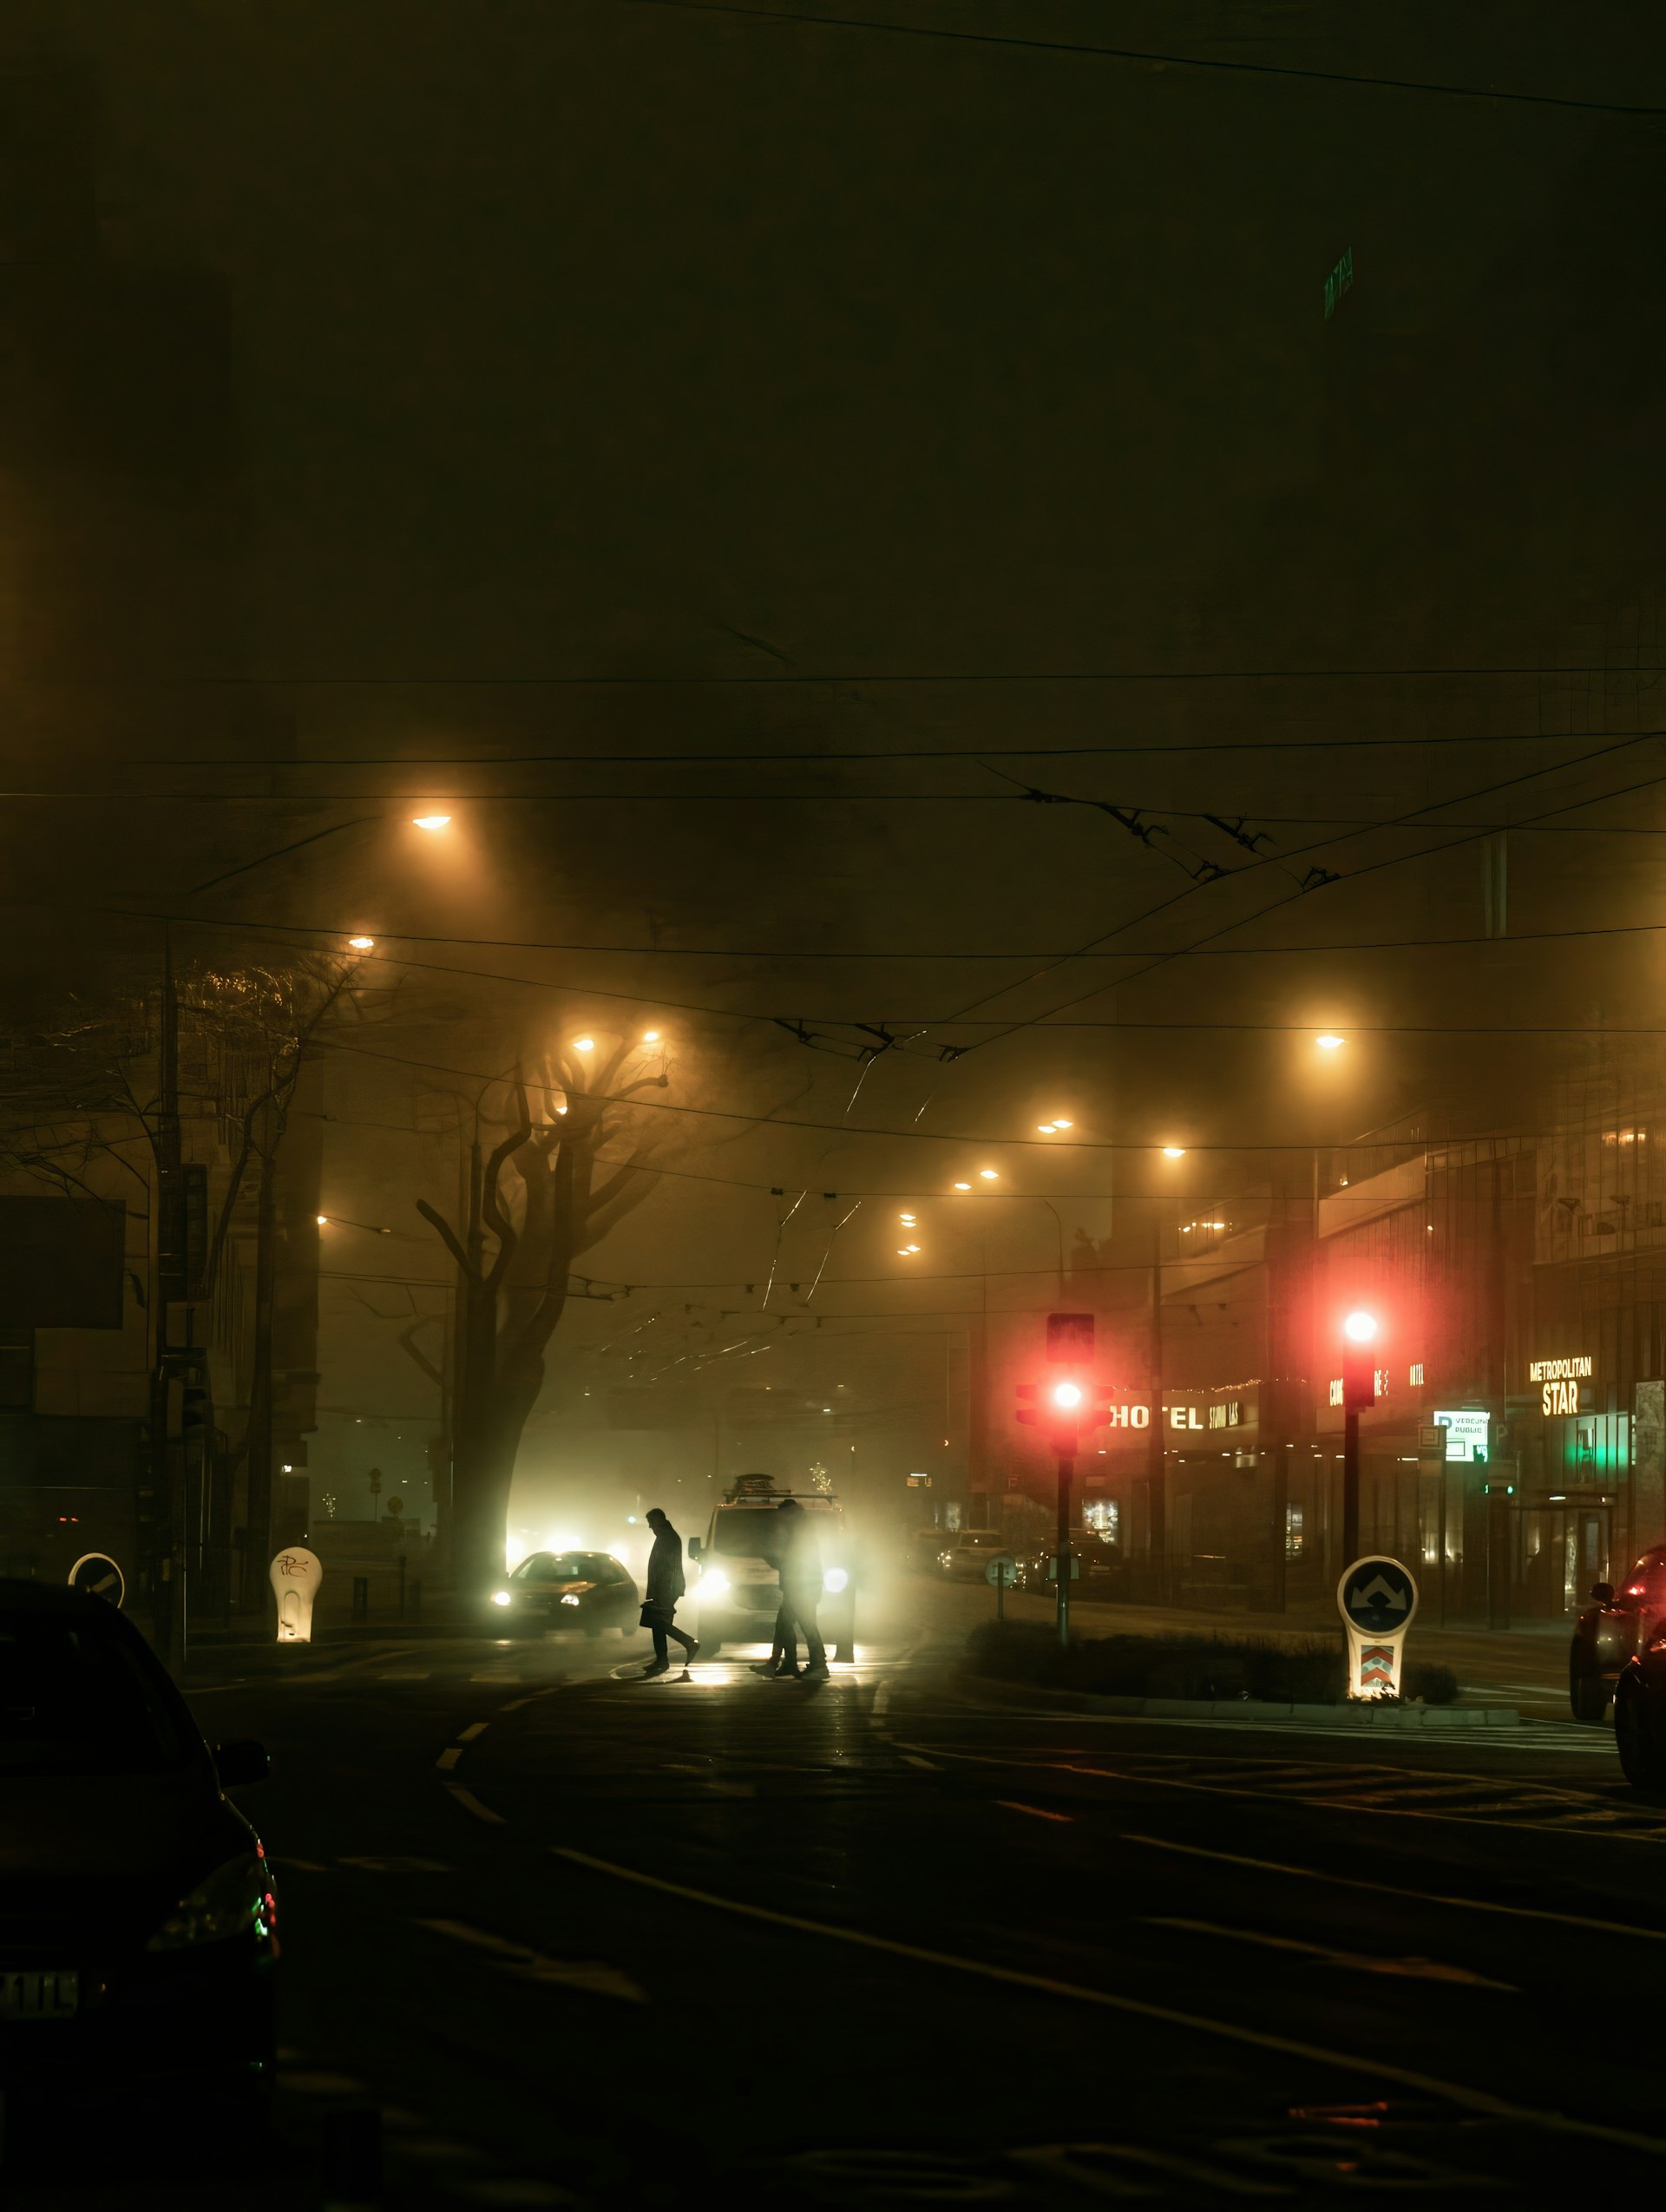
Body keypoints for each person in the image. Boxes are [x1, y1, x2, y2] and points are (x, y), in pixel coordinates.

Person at [771, 1496, 829, 1683]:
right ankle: (787, 1662)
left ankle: (819, 1665)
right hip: (800, 1588)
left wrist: (775, 1560)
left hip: (800, 1589)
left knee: (805, 1625)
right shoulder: (801, 1530)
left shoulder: (798, 1534)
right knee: (785, 1625)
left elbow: (793, 1562)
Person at [638, 1507, 699, 1678]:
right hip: (666, 1587)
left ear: (658, 1520)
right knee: (658, 1622)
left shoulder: (666, 1538)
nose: (650, 1526)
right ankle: (662, 1660)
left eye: (651, 1522)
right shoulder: (667, 1536)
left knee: (658, 1622)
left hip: (666, 1587)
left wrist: (659, 1590)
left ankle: (688, 1643)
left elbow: (665, 1567)